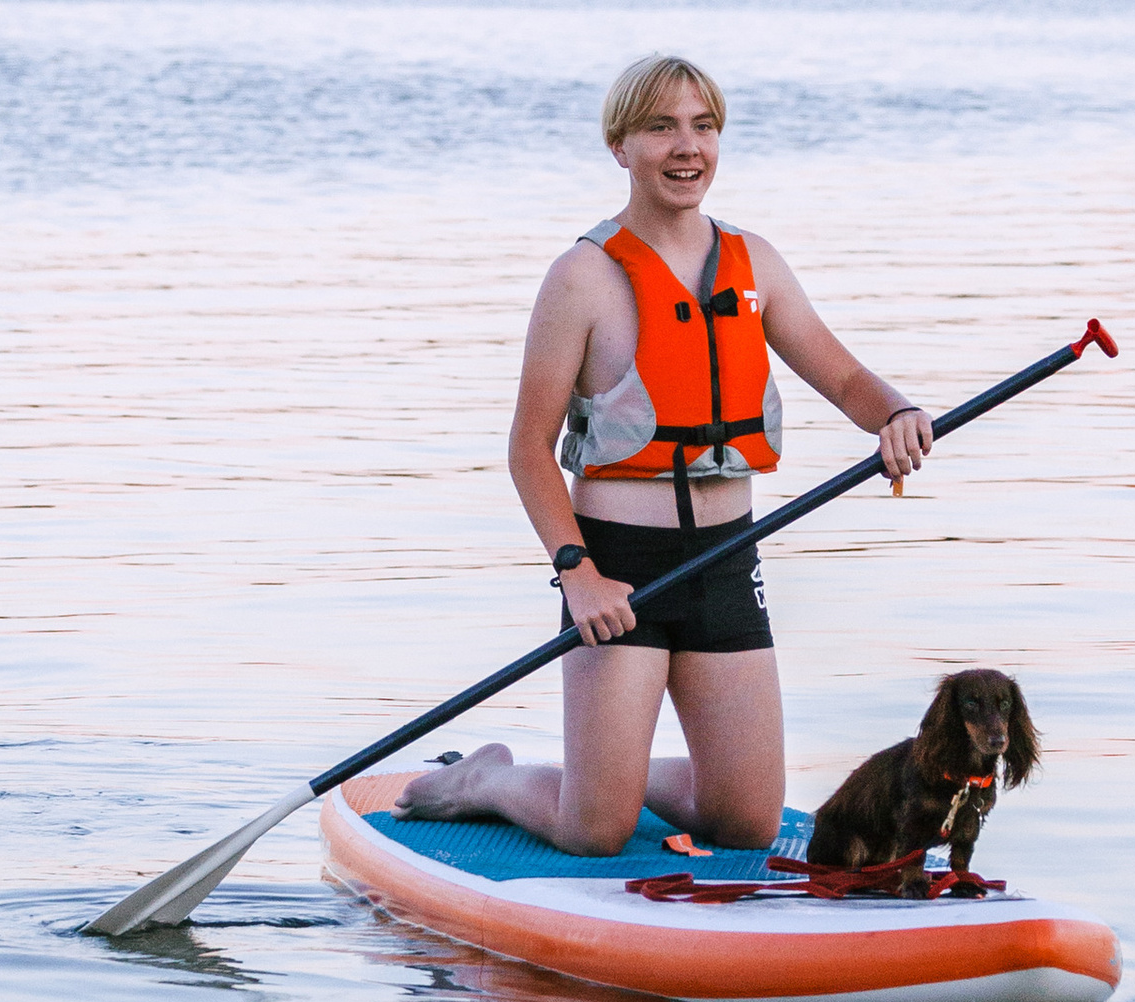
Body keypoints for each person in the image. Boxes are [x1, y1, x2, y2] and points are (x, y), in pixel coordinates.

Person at [397, 52, 930, 854]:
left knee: (745, 822)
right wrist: (578, 575)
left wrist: (897, 413)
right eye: (661, 128)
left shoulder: (755, 263)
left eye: (703, 127)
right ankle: (490, 779)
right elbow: (527, 450)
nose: (687, 148)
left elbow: (848, 377)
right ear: (621, 146)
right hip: (619, 564)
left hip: (727, 555)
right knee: (594, 832)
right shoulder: (583, 277)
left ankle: (606, 767)